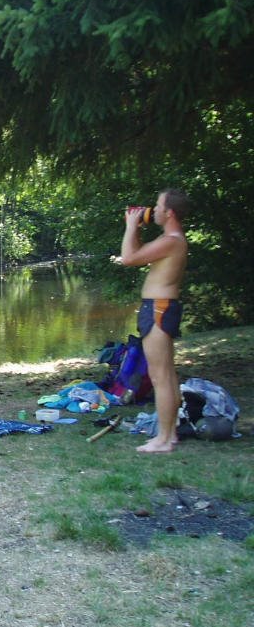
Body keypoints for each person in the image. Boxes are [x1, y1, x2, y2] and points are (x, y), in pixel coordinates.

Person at [118, 189, 190, 453]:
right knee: (167, 376)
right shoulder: (170, 239)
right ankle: (169, 435)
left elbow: (128, 258)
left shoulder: (171, 239)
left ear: (169, 212)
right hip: (161, 307)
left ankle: (163, 439)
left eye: (158, 206)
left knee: (160, 377)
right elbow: (139, 254)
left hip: (159, 309)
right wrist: (136, 229)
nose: (154, 210)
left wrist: (129, 226)